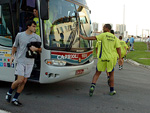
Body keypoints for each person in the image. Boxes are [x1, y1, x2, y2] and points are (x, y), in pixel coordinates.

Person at [79, 24, 122, 96]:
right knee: (111, 74)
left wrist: (84, 38)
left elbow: (94, 38)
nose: (102, 29)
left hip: (102, 58)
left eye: (103, 27)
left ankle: (92, 86)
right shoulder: (115, 38)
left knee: (97, 73)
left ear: (107, 28)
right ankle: (112, 90)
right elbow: (118, 48)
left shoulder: (103, 35)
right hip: (110, 59)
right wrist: (120, 58)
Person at [5, 20, 42, 106]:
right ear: (28, 26)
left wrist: (36, 49)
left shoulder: (37, 37)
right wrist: (12, 56)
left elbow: (40, 50)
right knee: (19, 80)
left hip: (30, 62)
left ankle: (15, 99)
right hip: (21, 60)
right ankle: (9, 92)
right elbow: (14, 46)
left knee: (24, 81)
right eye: (33, 26)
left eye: (35, 26)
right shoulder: (20, 35)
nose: (35, 28)